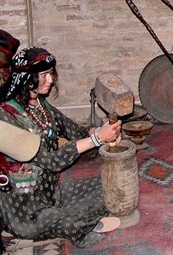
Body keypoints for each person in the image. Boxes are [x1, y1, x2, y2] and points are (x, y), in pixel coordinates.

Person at [0, 46, 122, 248]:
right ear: (25, 78)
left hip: (52, 194)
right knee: (69, 221)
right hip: (28, 212)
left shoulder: (41, 105)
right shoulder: (7, 115)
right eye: (43, 75)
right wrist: (97, 139)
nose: (50, 80)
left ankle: (75, 219)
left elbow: (76, 132)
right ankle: (75, 225)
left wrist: (102, 132)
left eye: (51, 73)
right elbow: (52, 161)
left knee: (110, 187)